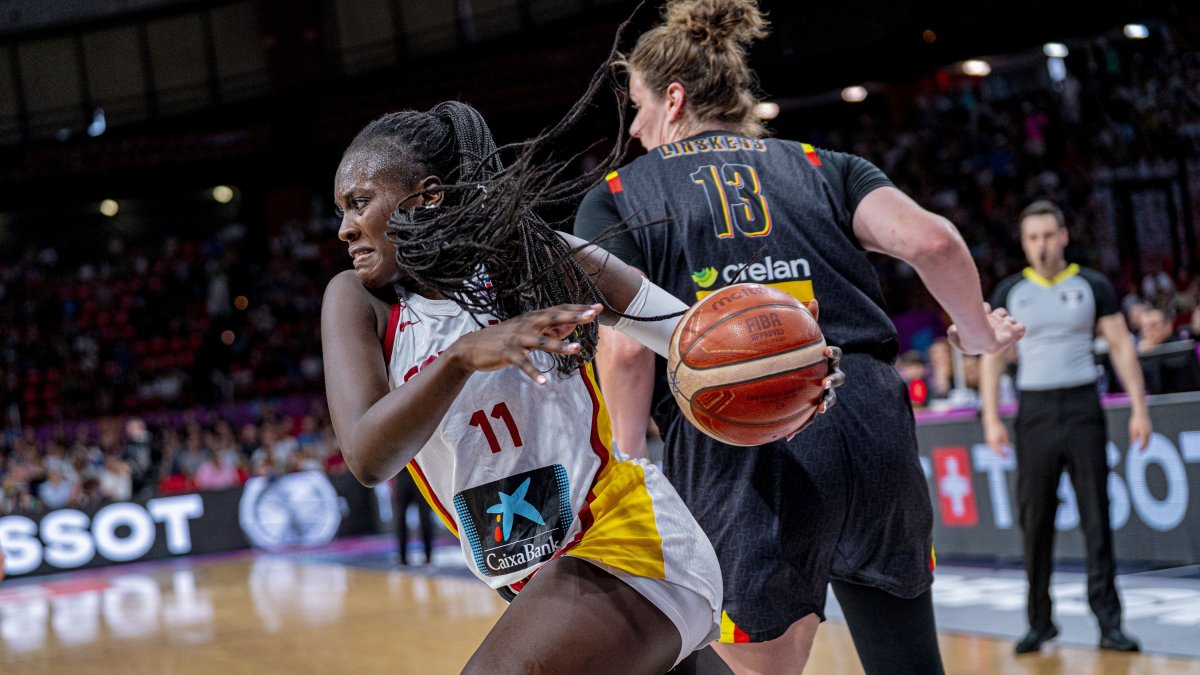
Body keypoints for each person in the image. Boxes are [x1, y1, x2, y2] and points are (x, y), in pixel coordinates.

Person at [573, 1, 1025, 672]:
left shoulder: (619, 192)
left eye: (637, 107)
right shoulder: (823, 163)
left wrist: (629, 476)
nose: (635, 128)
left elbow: (629, 348)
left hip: (742, 442)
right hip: (868, 418)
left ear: (673, 100)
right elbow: (934, 242)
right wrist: (980, 335)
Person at [320, 98, 842, 672]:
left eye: (359, 203)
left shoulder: (536, 258)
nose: (345, 228)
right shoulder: (358, 301)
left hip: (628, 541)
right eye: (341, 210)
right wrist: (462, 358)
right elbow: (367, 457)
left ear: (428, 196)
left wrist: (786, 365)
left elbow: (687, 334)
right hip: (532, 577)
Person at [980, 199, 1150, 654]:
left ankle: (1109, 623)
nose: (1042, 245)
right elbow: (993, 359)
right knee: (1035, 520)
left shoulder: (1092, 284)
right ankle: (1040, 621)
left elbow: (1121, 347)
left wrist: (1140, 408)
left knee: (1097, 516)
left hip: (1082, 406)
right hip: (1034, 411)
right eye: (1033, 237)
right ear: (1024, 242)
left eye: (1048, 235)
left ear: (1063, 237)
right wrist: (991, 417)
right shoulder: (1010, 291)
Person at [393, 469, 435, 566]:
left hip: (416, 476)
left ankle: (426, 557)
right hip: (415, 475)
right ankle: (404, 557)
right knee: (402, 518)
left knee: (424, 518)